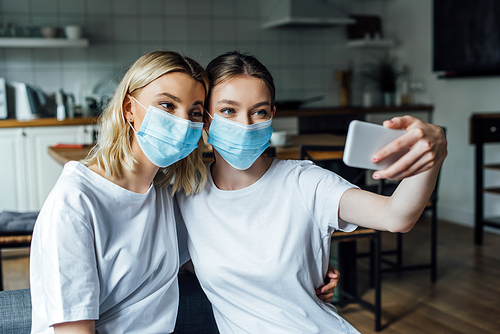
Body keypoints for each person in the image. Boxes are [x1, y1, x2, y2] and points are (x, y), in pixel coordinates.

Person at [175, 51, 447, 333]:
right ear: (204, 118)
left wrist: (434, 153)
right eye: (228, 110)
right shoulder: (187, 193)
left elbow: (396, 216)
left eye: (259, 111)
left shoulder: (305, 182)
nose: (245, 125)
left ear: (272, 115)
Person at [29, 50, 210, 334]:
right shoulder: (75, 201)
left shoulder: (162, 191)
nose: (183, 122)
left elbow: (197, 263)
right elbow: (74, 330)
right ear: (129, 109)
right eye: (166, 105)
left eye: (195, 112)